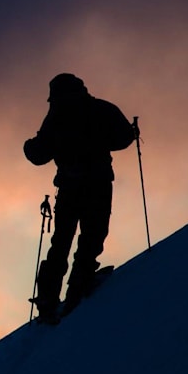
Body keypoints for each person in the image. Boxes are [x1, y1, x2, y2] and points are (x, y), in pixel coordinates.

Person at [23, 73, 137, 322]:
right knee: (92, 237)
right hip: (98, 184)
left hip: (70, 187)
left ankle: (48, 299)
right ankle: (79, 285)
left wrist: (28, 146)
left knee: (61, 242)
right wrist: (125, 134)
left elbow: (39, 154)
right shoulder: (100, 109)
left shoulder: (56, 117)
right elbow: (123, 137)